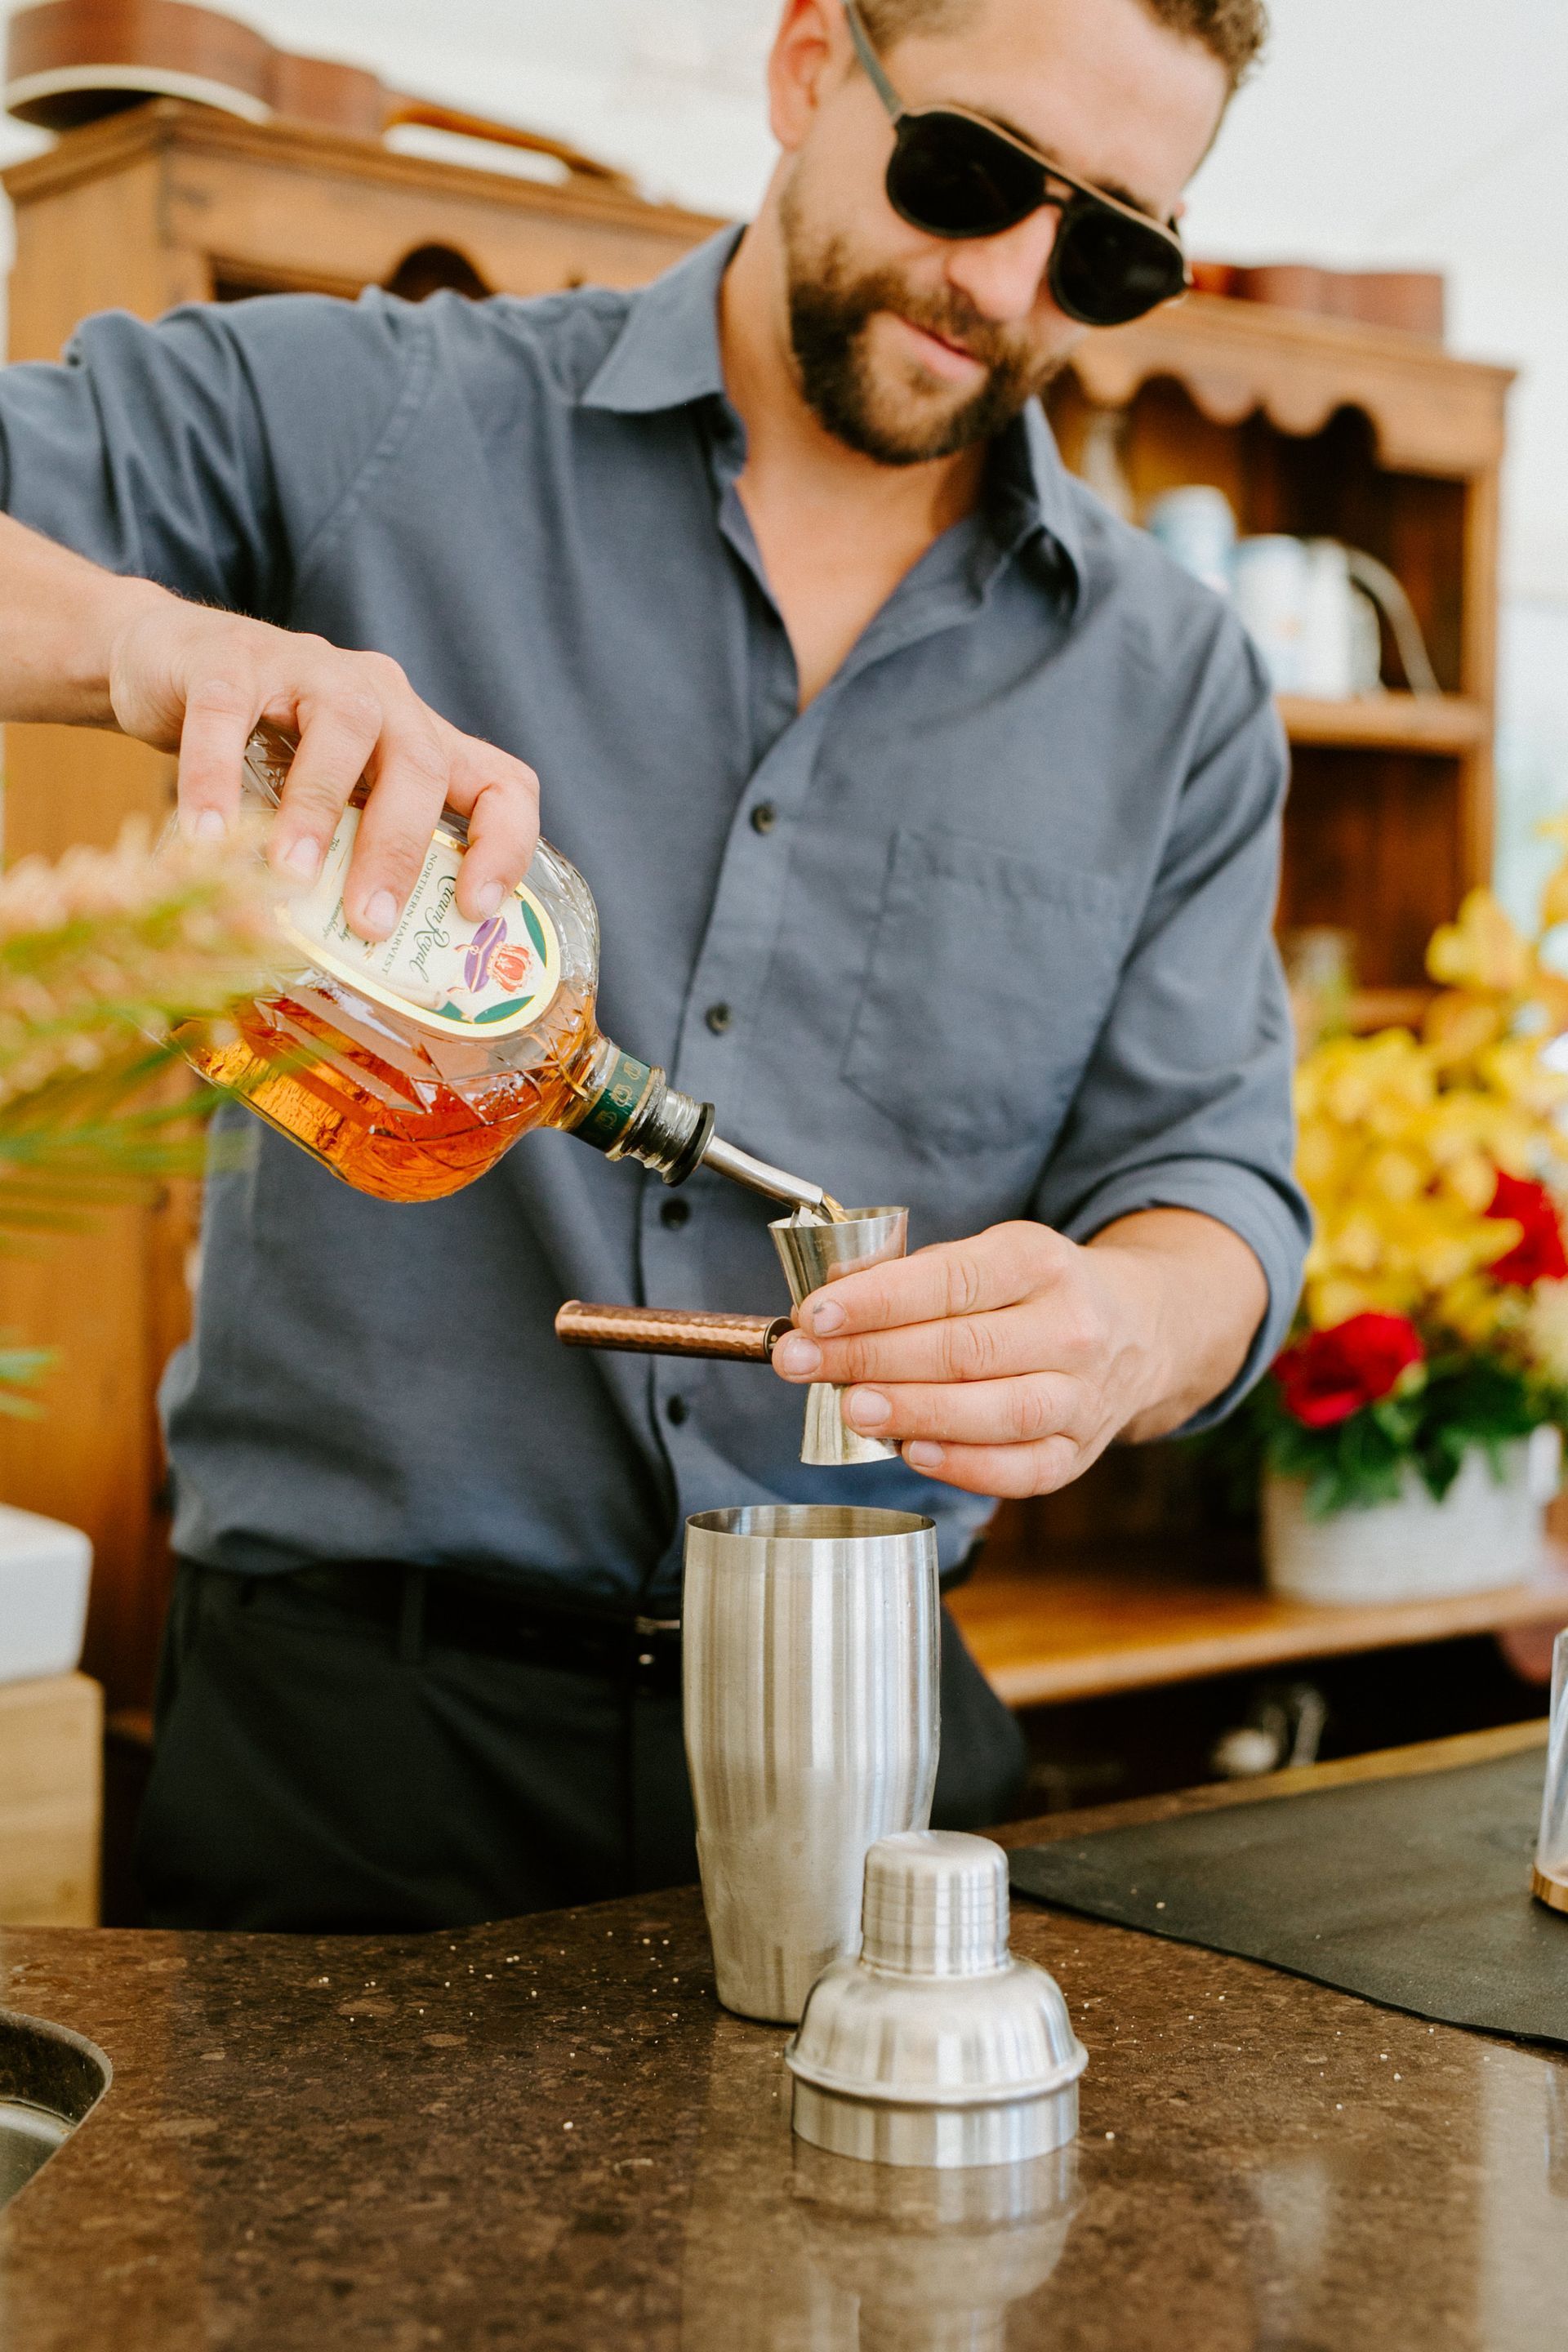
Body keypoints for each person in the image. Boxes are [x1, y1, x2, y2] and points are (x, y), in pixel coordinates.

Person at [0, 0, 1307, 1931]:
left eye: (1110, 246)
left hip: (878, 1739)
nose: (1014, 282)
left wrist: (1126, 1335)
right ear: (805, 70)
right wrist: (151, 647)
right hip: (359, 1743)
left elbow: (1217, 1189)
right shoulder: (381, 421)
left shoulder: (1173, 684)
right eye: (974, 173)